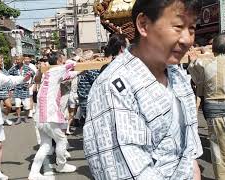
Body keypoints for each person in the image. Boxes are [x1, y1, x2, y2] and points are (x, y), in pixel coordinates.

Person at [83, 0, 203, 179]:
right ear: (143, 24)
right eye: (178, 27)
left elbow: (189, 147)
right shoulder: (114, 86)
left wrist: (193, 169)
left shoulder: (177, 75)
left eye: (192, 29)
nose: (187, 39)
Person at [188, 34, 225, 180]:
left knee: (218, 153)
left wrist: (195, 57)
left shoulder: (203, 64)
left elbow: (195, 73)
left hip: (214, 119)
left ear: (213, 48)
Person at [28, 52, 78, 180]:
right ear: (59, 60)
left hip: (41, 116)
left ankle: (33, 173)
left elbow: (71, 74)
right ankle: (61, 165)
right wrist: (80, 59)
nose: (65, 60)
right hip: (48, 115)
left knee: (45, 145)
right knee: (61, 140)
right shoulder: (56, 70)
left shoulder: (49, 73)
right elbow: (73, 65)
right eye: (63, 58)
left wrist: (79, 72)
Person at [8, 56, 34, 125]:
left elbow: (34, 74)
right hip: (17, 88)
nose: (17, 61)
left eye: (18, 59)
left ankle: (25, 117)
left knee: (27, 106)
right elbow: (8, 75)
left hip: (25, 89)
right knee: (17, 105)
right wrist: (11, 86)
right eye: (16, 59)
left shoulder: (27, 68)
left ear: (22, 60)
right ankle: (18, 118)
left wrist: (31, 84)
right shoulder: (13, 68)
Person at [0, 56, 14, 126]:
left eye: (2, 62)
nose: (2, 63)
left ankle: (4, 118)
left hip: (4, 91)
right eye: (1, 62)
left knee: (9, 106)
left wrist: (10, 90)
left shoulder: (4, 71)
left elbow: (9, 80)